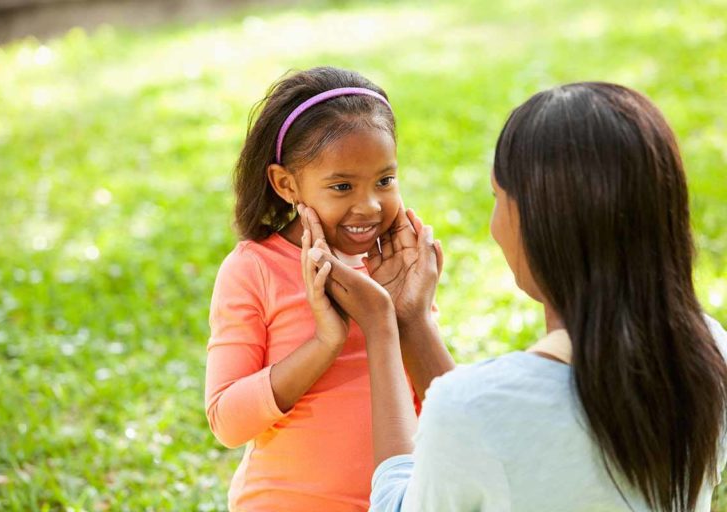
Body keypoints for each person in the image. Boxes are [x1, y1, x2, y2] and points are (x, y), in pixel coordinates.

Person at [302, 82, 727, 511]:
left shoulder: (480, 408)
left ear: (537, 223)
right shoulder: (709, 356)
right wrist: (411, 322)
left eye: (497, 198)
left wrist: (381, 327)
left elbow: (404, 497)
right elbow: (496, 436)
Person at [204, 66, 423, 511]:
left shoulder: (399, 264)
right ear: (286, 184)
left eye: (385, 180)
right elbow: (226, 421)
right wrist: (326, 342)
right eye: (342, 186)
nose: (370, 205)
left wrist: (411, 316)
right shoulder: (254, 270)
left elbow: (440, 404)